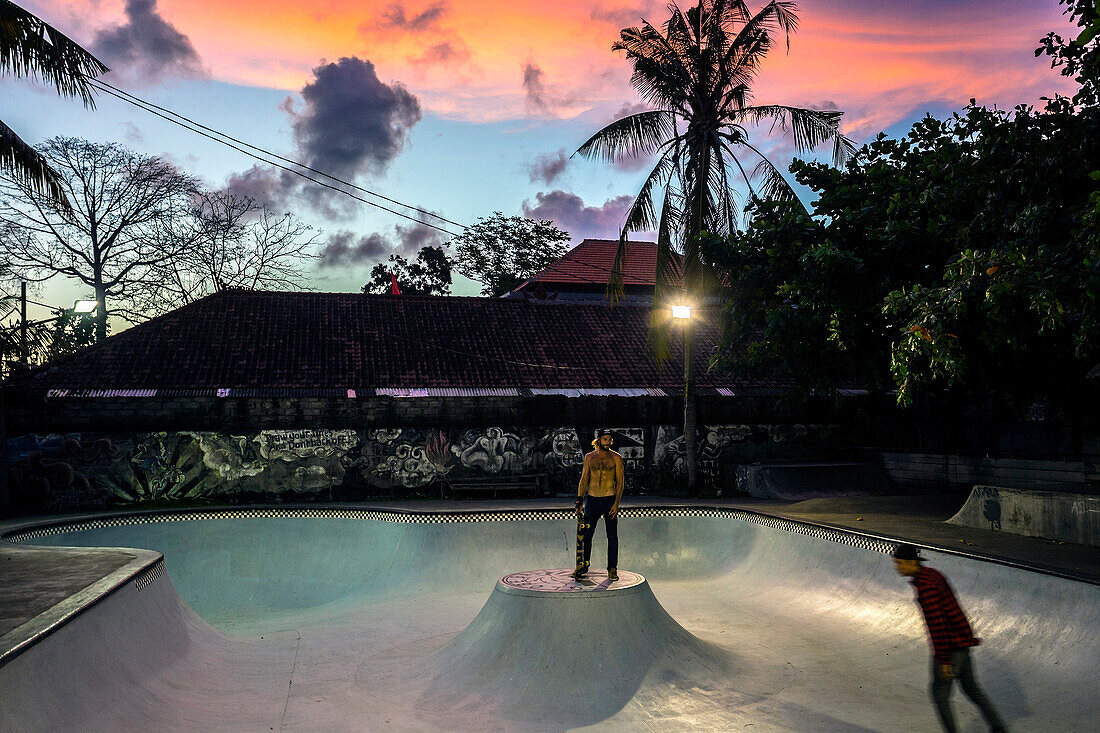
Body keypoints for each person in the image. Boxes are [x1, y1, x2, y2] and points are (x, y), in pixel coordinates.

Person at [892, 544, 1007, 733]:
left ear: (912, 562)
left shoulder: (926, 587)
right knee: (972, 689)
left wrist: (944, 660)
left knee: (940, 695)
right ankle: (999, 728)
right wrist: (966, 638)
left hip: (950, 648)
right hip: (962, 642)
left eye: (899, 563)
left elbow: (938, 626)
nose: (897, 568)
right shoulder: (933, 575)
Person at [572, 429, 625, 581]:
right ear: (599, 440)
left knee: (612, 536)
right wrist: (579, 499)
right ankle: (583, 565)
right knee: (586, 535)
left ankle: (612, 568)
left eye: (610, 440)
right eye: (605, 439)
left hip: (609, 499)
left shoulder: (616, 458)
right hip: (593, 500)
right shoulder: (589, 457)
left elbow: (620, 482)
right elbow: (584, 478)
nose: (608, 442)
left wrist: (616, 504)